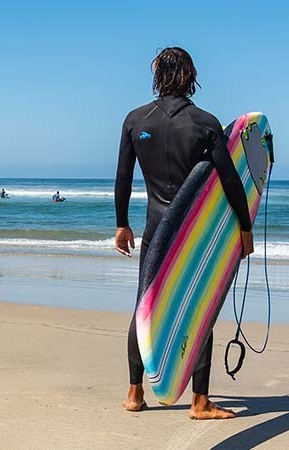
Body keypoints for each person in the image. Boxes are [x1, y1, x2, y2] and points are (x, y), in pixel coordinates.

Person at [114, 47, 254, 420]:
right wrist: (244, 226)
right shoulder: (206, 123)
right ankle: (199, 401)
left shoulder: (134, 119)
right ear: (191, 75)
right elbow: (228, 179)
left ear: (157, 74)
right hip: (194, 233)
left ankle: (134, 392)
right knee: (199, 306)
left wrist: (121, 224)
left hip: (155, 229)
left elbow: (123, 178)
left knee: (146, 305)